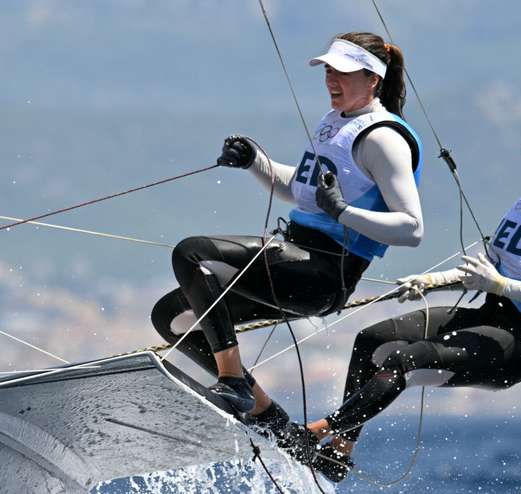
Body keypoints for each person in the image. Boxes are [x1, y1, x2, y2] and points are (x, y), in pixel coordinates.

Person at [289, 125, 521, 483]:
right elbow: (482, 270)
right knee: (372, 339)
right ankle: (339, 452)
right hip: (487, 315)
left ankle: (312, 433)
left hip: (518, 344)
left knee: (404, 360)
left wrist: (502, 285)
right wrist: (430, 282)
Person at [151, 32, 424, 427]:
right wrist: (254, 161)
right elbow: (297, 188)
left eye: (343, 71)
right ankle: (270, 419)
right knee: (173, 317)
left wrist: (343, 212)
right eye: (329, 69)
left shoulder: (382, 138)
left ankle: (232, 381)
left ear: (373, 79)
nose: (332, 78)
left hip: (324, 274)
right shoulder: (335, 124)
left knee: (192, 253)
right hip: (294, 259)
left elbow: (412, 228)